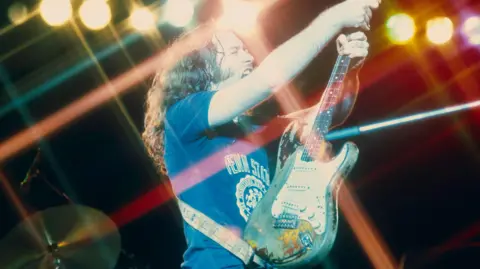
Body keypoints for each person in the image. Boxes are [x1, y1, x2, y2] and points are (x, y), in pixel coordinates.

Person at [142, 0, 379, 268]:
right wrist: (333, 18)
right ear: (202, 66)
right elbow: (267, 80)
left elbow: (328, 113)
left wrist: (350, 67)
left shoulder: (254, 128)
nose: (248, 57)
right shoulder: (183, 116)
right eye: (234, 51)